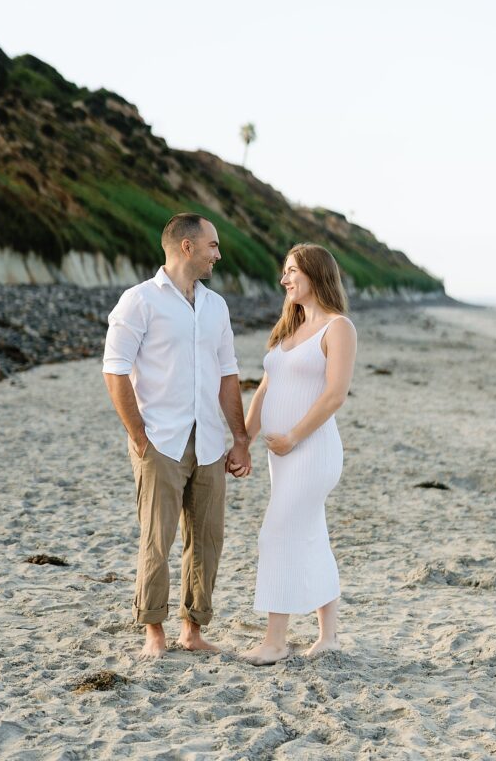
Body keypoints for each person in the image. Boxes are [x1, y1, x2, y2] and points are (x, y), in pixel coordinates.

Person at [102, 213, 252, 659]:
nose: (218, 255)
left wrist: (239, 438)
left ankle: (193, 629)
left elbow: (229, 376)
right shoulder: (138, 301)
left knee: (207, 539)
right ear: (187, 247)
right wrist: (139, 435)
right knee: (157, 538)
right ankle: (154, 632)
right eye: (212, 246)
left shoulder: (215, 306)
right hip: (160, 442)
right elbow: (115, 370)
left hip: (208, 439)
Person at [241, 243, 357, 665]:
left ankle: (275, 642)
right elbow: (265, 391)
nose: (284, 279)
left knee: (277, 533)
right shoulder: (289, 330)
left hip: (312, 451)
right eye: (284, 272)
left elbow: (334, 395)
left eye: (292, 271)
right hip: (282, 456)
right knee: (311, 534)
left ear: (315, 274)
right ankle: (328, 636)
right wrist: (244, 440)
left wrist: (292, 436)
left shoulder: (337, 327)